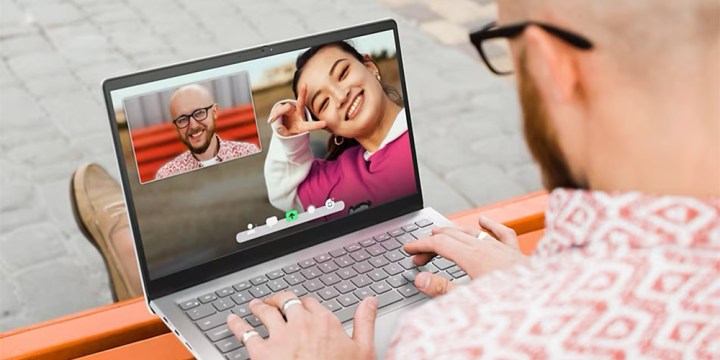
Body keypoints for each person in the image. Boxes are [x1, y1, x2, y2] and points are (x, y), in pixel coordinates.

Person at [71, 0, 719, 356]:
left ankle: (126, 244)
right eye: (318, 102)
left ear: (554, 66)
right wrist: (549, 285)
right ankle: (129, 242)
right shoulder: (334, 171)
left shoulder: (457, 340)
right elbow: (285, 194)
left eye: (507, 44)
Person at [264, 41, 417, 216]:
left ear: (369, 67)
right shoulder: (339, 179)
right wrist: (290, 137)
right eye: (323, 103)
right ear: (328, 128)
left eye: (343, 73)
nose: (340, 96)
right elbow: (282, 192)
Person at [155, 84, 260, 180]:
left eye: (199, 113)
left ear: (214, 112)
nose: (193, 125)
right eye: (182, 119)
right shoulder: (166, 175)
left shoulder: (248, 152)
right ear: (176, 127)